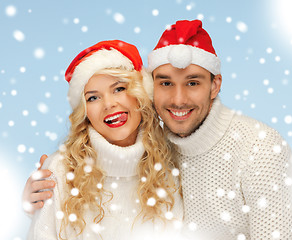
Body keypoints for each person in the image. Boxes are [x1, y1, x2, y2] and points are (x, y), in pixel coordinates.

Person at [24, 20, 292, 239]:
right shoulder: (61, 171)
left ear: (215, 85)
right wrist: (31, 200)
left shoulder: (255, 147)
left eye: (192, 82)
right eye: (166, 83)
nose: (178, 99)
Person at [26, 40, 183, 240]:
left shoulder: (170, 168)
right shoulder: (60, 170)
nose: (109, 104)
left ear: (140, 94)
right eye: (93, 98)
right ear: (85, 113)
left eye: (119, 89)